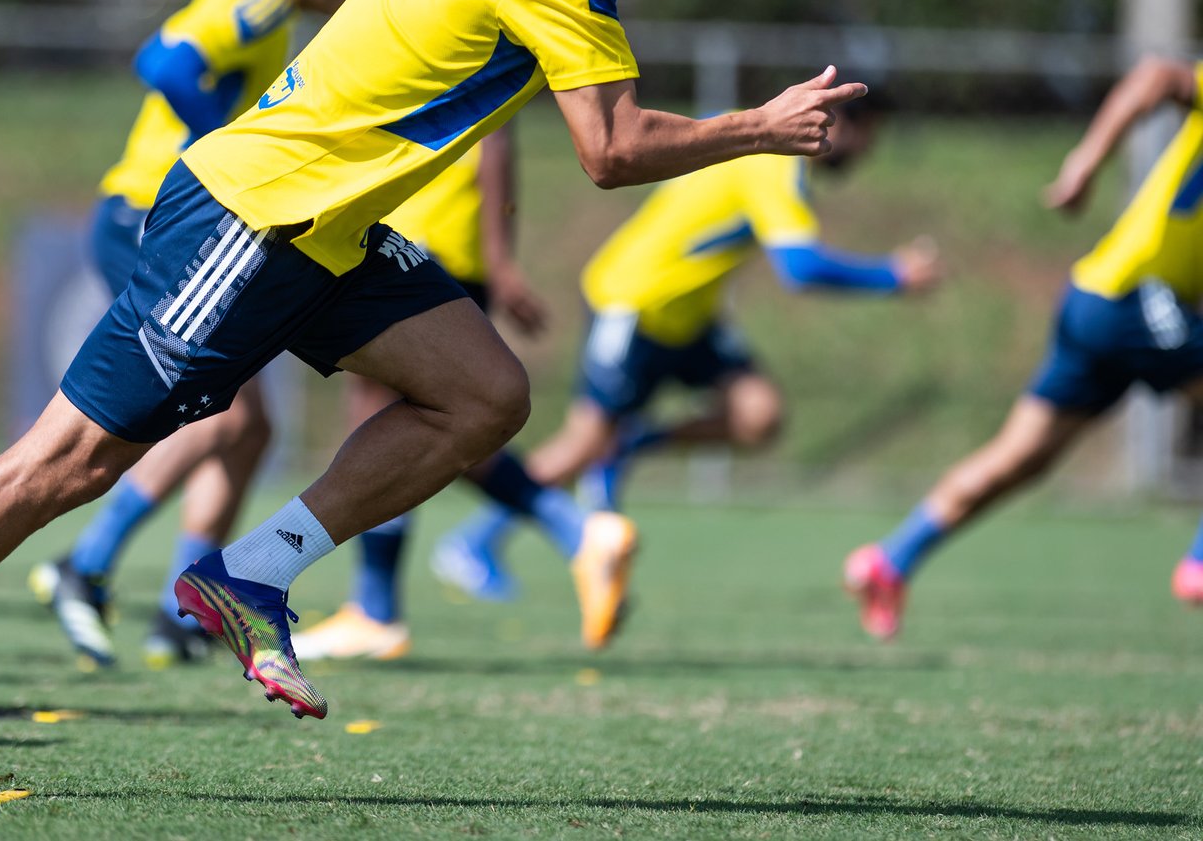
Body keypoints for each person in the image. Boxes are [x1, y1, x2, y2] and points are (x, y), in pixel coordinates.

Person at [0, 0, 861, 790]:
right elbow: (612, 149)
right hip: (252, 222)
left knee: (483, 396)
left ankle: (249, 578)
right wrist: (758, 128)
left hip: (325, 236)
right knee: (68, 464)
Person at [27, 0, 400, 669]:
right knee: (224, 421)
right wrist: (222, 149)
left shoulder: (270, 4)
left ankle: (178, 610)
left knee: (246, 425)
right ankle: (89, 564)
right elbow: (164, 61)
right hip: (149, 213)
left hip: (168, 216)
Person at [431, 94, 940, 597]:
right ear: (835, 122)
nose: (867, 149)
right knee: (585, 439)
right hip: (633, 300)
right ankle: (474, 543)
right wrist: (896, 275)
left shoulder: (760, 152)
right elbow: (800, 267)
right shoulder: (773, 165)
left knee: (758, 413)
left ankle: (629, 447)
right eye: (867, 133)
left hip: (691, 317)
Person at [845, 56, 1203, 640]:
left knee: (1020, 458)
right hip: (1136, 293)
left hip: (1096, 297)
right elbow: (1158, 76)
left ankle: (889, 561)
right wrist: (1086, 162)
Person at [295, 127, 643, 660]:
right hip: (437, 246)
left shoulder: (460, 46)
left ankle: (375, 610)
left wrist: (502, 262)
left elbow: (496, 142)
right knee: (437, 432)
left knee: (382, 424)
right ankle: (577, 535)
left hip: (421, 245)